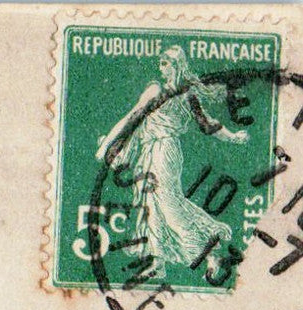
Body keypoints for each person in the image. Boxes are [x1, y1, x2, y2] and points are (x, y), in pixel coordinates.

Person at [96, 46, 250, 273]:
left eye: (166, 63)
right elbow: (131, 117)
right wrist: (108, 143)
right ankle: (157, 262)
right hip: (148, 151)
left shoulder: (187, 94)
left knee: (169, 206)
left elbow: (207, 124)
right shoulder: (154, 90)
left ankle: (208, 254)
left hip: (166, 151)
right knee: (150, 206)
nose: (161, 67)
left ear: (177, 65)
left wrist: (233, 138)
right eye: (160, 63)